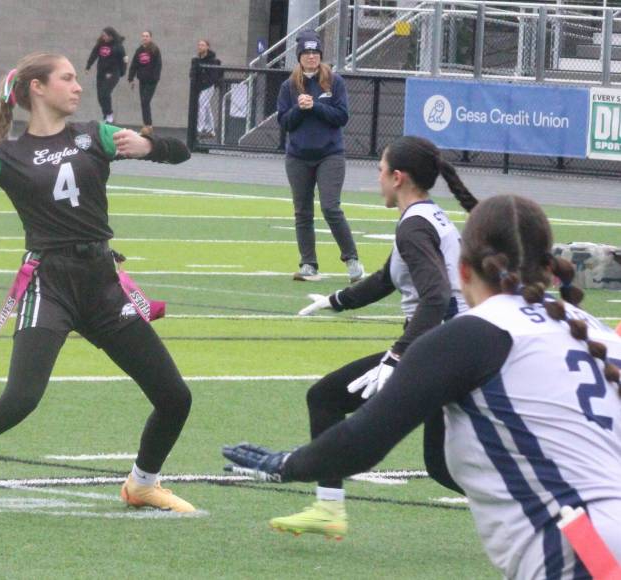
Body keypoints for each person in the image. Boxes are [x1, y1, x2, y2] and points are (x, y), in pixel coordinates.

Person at [224, 194, 621, 579]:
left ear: (462, 270)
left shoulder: (473, 335)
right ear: (549, 269)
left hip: (585, 548)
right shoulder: (597, 334)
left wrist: (288, 464)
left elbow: (364, 440)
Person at [0, 52, 196, 516]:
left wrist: (150, 145)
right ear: (38, 87)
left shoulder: (94, 135)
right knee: (21, 399)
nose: (77, 86)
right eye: (67, 78)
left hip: (102, 283)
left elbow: (182, 152)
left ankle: (142, 484)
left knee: (174, 397)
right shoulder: (6, 155)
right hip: (50, 284)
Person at [263, 135, 480, 539]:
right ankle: (545, 510)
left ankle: (329, 507)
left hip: (441, 349)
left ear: (398, 177)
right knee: (440, 464)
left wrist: (398, 355)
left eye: (380, 170)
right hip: (452, 347)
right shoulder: (425, 216)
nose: (376, 178)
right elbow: (386, 279)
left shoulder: (414, 225)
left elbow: (435, 297)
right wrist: (336, 300)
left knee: (325, 397)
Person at [277, 29, 363, 283]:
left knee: (330, 207)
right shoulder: (289, 86)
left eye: (315, 52)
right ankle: (308, 264)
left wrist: (316, 106)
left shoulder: (335, 82)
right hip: (298, 157)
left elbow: (342, 116)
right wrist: (299, 109)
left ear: (321, 55)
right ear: (299, 56)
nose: (311, 57)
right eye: (306, 53)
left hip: (330, 154)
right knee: (302, 211)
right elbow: (284, 122)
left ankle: (352, 259)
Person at [85, 27, 126, 124]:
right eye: (102, 35)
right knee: (100, 96)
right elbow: (94, 54)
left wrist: (122, 72)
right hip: (101, 73)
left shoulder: (118, 46)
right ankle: (106, 116)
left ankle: (109, 114)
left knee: (105, 93)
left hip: (113, 73)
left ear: (111, 36)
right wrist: (88, 66)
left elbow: (124, 60)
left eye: (105, 36)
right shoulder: (101, 44)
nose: (103, 37)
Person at [127, 30, 161, 136]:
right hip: (142, 80)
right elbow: (134, 64)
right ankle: (146, 124)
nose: (145, 38)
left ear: (150, 38)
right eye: (143, 36)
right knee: (143, 102)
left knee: (146, 101)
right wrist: (131, 78)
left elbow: (158, 65)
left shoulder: (154, 49)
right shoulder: (139, 50)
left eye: (147, 36)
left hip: (151, 81)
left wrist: (155, 78)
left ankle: (148, 125)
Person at [191, 39, 221, 139]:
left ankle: (199, 129)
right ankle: (211, 130)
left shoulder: (212, 60)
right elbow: (193, 73)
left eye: (203, 45)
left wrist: (208, 83)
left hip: (208, 86)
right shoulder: (196, 60)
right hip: (200, 87)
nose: (200, 47)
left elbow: (214, 75)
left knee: (202, 104)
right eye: (199, 45)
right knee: (206, 106)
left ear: (207, 47)